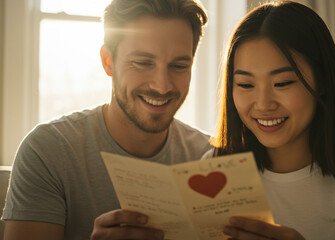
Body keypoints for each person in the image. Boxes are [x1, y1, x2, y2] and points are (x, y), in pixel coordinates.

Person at [1, 0, 211, 239]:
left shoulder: (211, 158)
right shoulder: (49, 150)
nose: (161, 85)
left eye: (179, 65)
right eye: (142, 63)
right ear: (108, 61)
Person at [209, 1, 335, 239]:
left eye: (282, 83)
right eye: (246, 85)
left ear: (321, 82)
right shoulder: (214, 169)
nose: (263, 104)